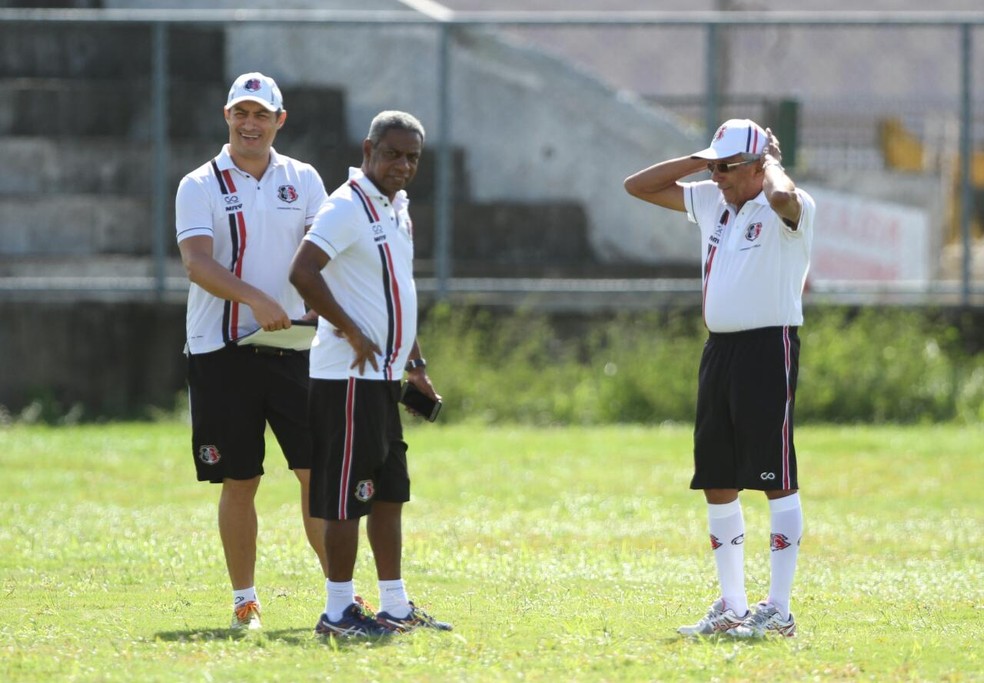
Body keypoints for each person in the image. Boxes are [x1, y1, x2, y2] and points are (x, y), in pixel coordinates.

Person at [624, 119, 815, 638]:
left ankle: (777, 609)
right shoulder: (713, 198)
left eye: (729, 167)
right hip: (719, 351)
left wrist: (770, 161)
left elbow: (784, 198)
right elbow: (637, 186)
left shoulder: (785, 203)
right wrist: (706, 160)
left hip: (767, 348)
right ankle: (732, 605)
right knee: (717, 476)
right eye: (716, 166)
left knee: (776, 477)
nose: (719, 176)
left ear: (758, 166)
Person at [175, 72, 329, 631]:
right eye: (241, 113)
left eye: (261, 114)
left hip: (293, 347)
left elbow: (321, 252)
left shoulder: (305, 178)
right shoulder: (198, 183)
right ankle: (245, 601)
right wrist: (259, 300)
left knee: (318, 472)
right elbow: (197, 262)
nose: (250, 124)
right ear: (226, 117)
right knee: (241, 479)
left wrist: (321, 309)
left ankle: (341, 599)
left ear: (279, 121)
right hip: (221, 351)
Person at [289, 110, 452, 638]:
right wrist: (350, 328)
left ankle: (395, 606)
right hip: (346, 380)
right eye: (392, 154)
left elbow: (397, 293)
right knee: (346, 497)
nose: (402, 165)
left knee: (388, 494)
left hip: (382, 379)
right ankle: (338, 613)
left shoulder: (396, 208)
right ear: (368, 149)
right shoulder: (347, 205)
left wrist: (416, 364)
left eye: (412, 157)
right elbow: (302, 271)